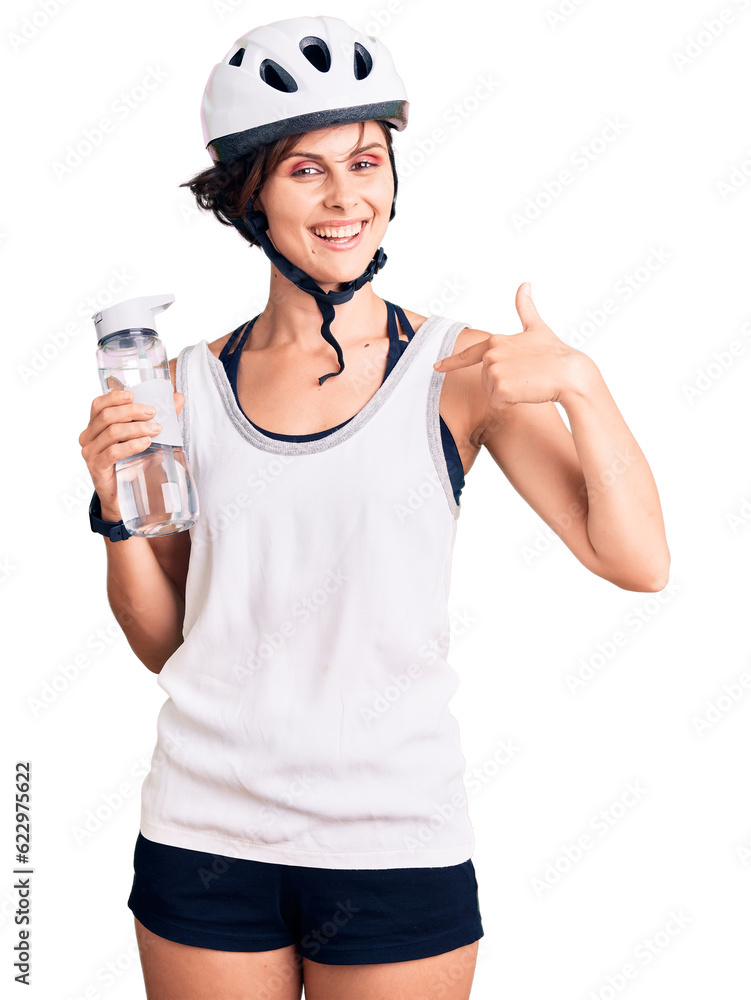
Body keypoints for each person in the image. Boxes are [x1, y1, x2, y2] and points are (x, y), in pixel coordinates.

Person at [78, 15, 670, 1000]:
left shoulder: (459, 369)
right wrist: (114, 512)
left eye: (366, 161)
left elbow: (637, 558)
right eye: (306, 171)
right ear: (247, 194)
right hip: (201, 838)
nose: (348, 198)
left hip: (396, 839)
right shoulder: (177, 388)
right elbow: (166, 643)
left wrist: (581, 384)